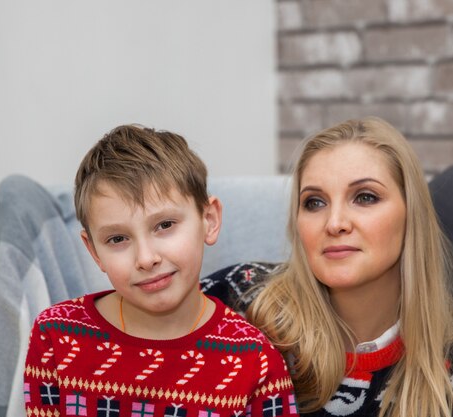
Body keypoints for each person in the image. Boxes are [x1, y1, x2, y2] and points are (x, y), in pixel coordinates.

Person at [206, 117, 453, 417]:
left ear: (411, 215)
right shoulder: (237, 298)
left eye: (365, 197)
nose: (335, 223)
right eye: (314, 202)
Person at [23, 125, 298, 417]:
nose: (146, 258)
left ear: (209, 219)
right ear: (93, 252)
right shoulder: (56, 336)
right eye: (117, 239)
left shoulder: (256, 361)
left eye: (164, 225)